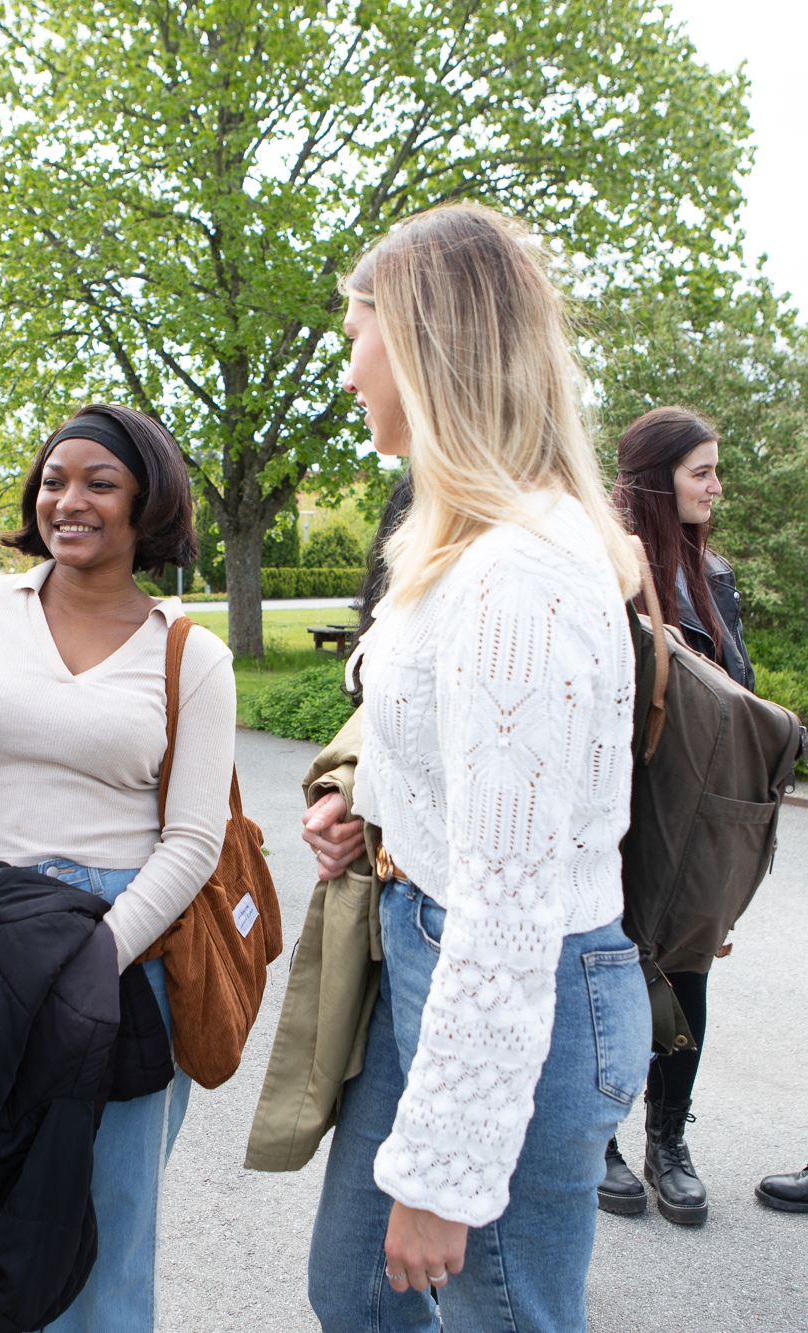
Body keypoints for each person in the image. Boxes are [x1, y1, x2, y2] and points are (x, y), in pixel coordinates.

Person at [304, 202, 651, 1332]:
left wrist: (448, 1173)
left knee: (499, 1313)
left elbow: (509, 901)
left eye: (355, 334)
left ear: (418, 344)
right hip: (431, 955)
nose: (347, 371)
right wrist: (370, 807)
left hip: (514, 986)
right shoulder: (462, 541)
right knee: (355, 1295)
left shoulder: (516, 576)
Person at [0, 403, 234, 1331]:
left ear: (145, 503)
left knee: (110, 1237)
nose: (67, 500)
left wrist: (100, 953)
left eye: (98, 482)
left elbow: (195, 838)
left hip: (124, 953)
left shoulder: (191, 654)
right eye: (53, 479)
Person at [599, 405, 755, 1225]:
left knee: (687, 967)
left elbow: (739, 687)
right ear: (658, 478)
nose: (716, 487)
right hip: (622, 811)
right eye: (703, 471)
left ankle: (669, 1142)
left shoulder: (715, 575)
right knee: (610, 969)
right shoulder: (606, 571)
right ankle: (601, 1141)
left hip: (691, 813)